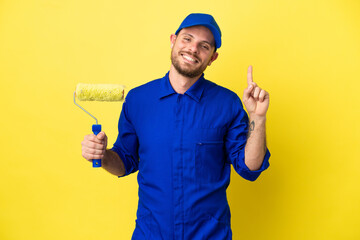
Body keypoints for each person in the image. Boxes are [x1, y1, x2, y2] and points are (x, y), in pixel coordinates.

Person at [81, 13, 270, 240]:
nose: (192, 49)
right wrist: (102, 156)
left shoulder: (227, 103)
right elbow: (125, 162)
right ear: (173, 40)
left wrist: (257, 118)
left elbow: (249, 168)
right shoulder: (138, 99)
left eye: (204, 46)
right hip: (150, 234)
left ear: (212, 57)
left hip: (209, 235)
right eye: (187, 39)